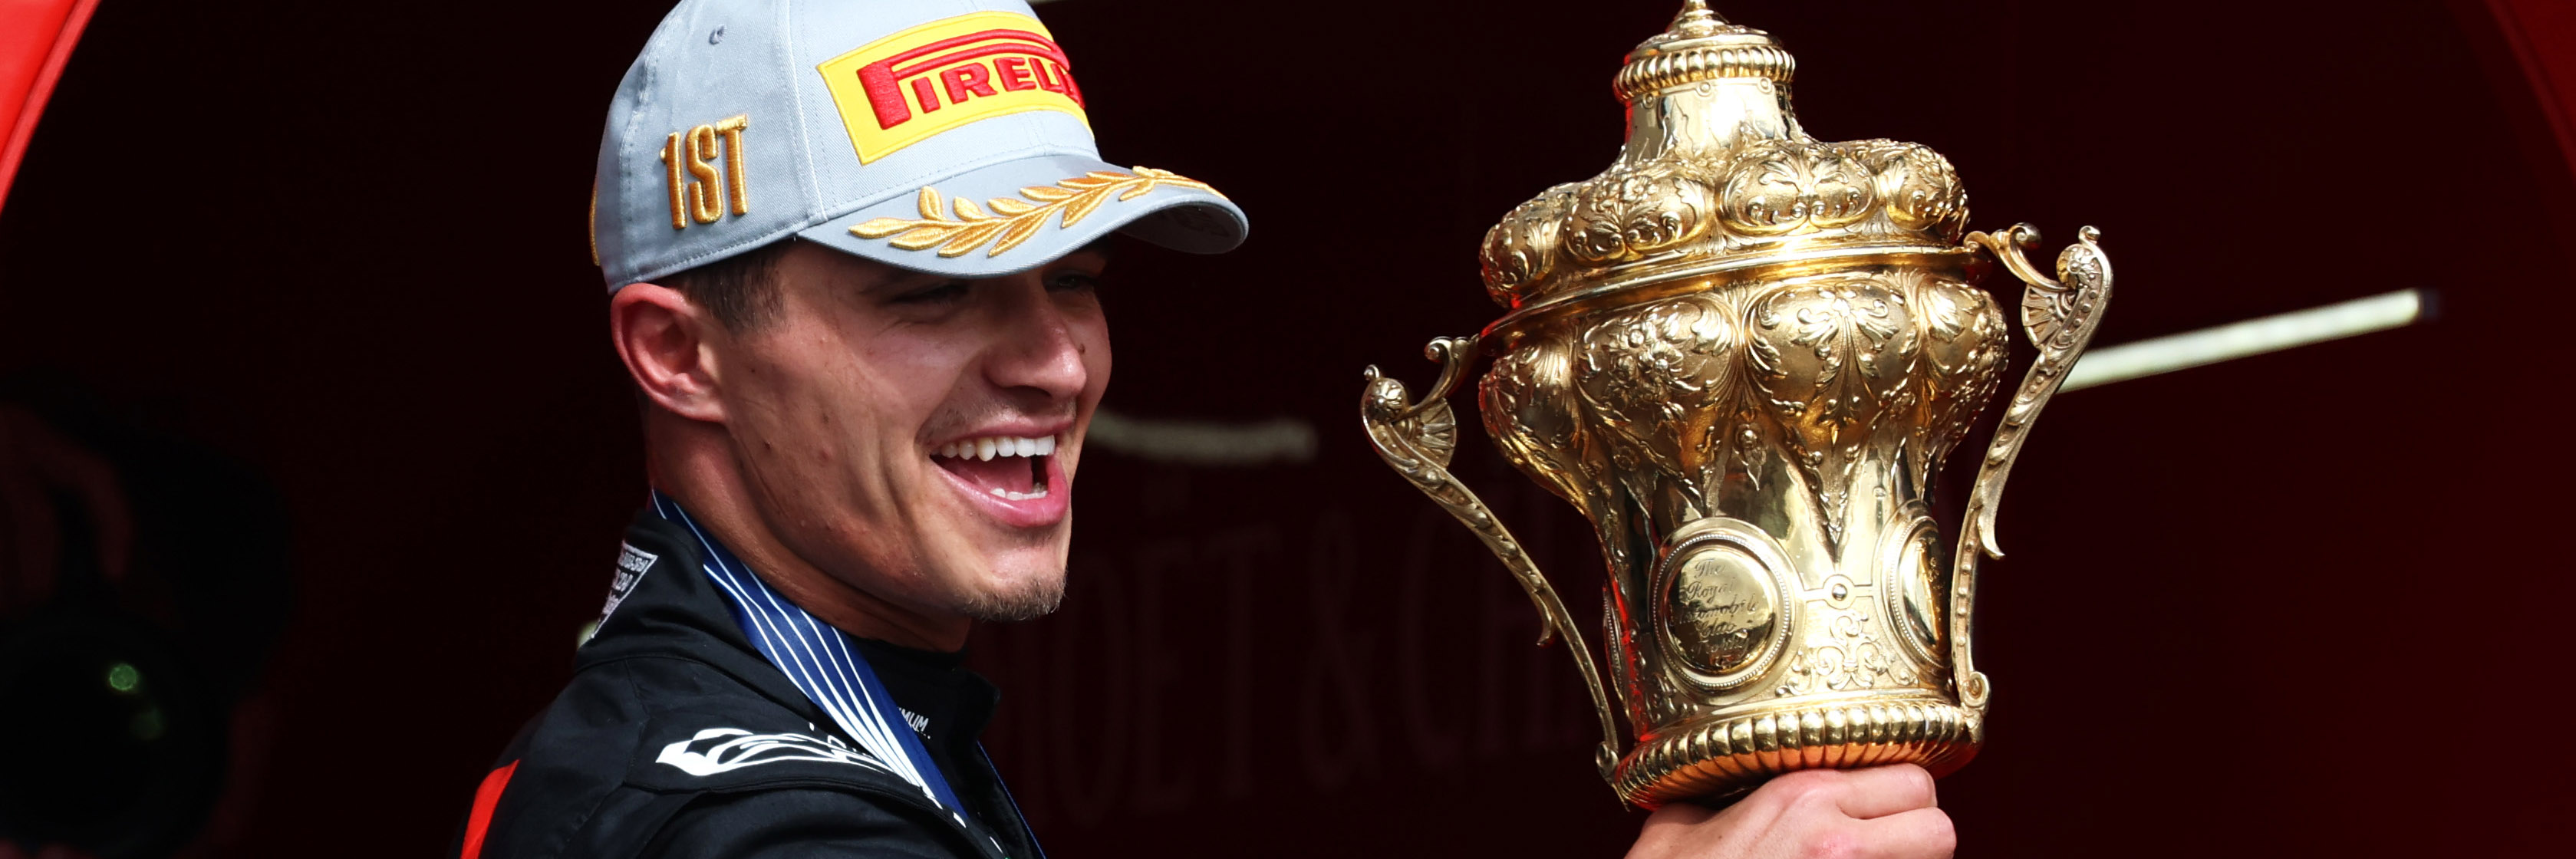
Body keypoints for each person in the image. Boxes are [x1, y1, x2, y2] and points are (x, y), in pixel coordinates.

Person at [454, 2, 1955, 857]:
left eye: (1077, 279)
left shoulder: (851, 727)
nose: (1054, 359)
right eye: (932, 292)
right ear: (680, 355)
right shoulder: (726, 816)